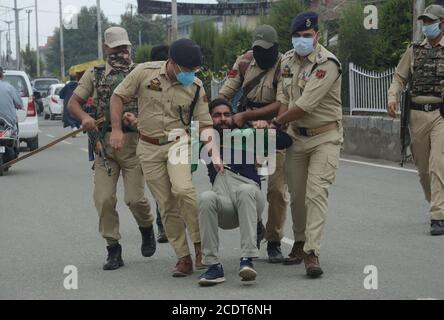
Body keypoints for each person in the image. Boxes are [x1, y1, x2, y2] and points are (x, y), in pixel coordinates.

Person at [109, 38, 218, 277]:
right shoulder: (144, 73)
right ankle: (183, 257)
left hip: (179, 142)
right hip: (148, 147)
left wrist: (214, 151)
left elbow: (205, 123)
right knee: (167, 204)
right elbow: (118, 96)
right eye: (187, 69)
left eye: (194, 70)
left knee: (183, 191)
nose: (190, 73)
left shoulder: (196, 86)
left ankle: (200, 247)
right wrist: (117, 129)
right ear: (173, 62)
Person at [68, 27, 156, 271]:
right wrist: (84, 117)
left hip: (134, 146)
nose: (121, 52)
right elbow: (73, 103)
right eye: (116, 48)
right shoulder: (94, 75)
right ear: (106, 48)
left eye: (124, 47)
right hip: (104, 147)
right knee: (104, 199)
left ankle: (146, 227)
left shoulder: (140, 72)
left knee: (135, 199)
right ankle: (113, 248)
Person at [271, 12, 343, 278]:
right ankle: (299, 242)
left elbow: (305, 105)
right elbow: (283, 96)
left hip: (325, 137)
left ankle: (312, 252)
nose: (302, 40)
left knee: (316, 193)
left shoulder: (328, 64)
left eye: (307, 36)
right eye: (298, 36)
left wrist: (276, 121)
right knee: (298, 196)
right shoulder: (287, 60)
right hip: (296, 137)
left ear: (317, 36)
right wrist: (280, 124)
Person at [198, 99, 292, 286]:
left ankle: (247, 260)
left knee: (244, 189)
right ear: (210, 119)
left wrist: (264, 128)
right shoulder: (206, 143)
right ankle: (213, 266)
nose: (222, 119)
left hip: (249, 197)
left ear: (233, 116)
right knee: (205, 197)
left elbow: (285, 141)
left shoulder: (247, 135)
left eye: (226, 114)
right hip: (224, 202)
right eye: (217, 115)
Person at [218, 25, 289, 263]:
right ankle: (256, 224)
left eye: (266, 50)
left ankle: (275, 241)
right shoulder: (244, 62)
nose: (261, 54)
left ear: (276, 48)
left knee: (277, 190)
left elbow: (282, 105)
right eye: (257, 49)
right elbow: (225, 94)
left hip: (272, 130)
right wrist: (219, 115)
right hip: (246, 135)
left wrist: (246, 117)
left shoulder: (284, 65)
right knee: (248, 185)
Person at [389, 5, 444, 236]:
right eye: (424, 22)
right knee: (422, 170)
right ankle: (436, 202)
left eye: (430, 22)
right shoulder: (414, 50)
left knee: (437, 164)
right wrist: (392, 96)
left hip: (441, 114)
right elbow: (400, 76)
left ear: (442, 23)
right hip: (416, 115)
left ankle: (438, 215)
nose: (426, 26)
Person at [150, 45, 171, 244]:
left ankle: (167, 224)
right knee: (162, 186)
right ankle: (164, 224)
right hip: (156, 143)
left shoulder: (183, 80)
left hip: (177, 142)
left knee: (178, 186)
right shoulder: (147, 83)